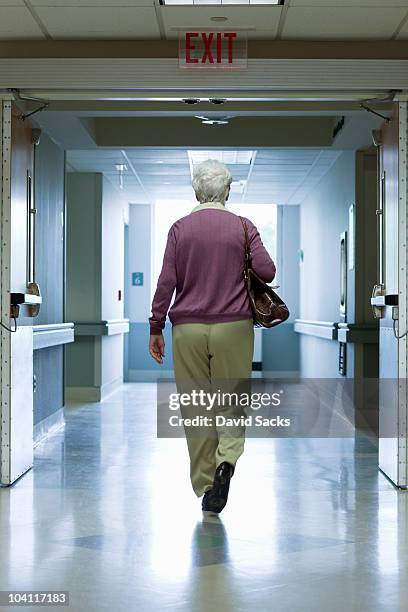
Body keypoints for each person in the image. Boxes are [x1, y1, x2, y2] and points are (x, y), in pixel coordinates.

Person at [149, 159, 276, 513]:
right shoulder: (242, 226)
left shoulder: (179, 229)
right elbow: (267, 269)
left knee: (195, 407)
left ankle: (207, 485)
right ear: (228, 191)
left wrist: (156, 325)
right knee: (231, 402)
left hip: (187, 329)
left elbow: (166, 283)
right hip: (233, 326)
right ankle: (227, 462)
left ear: (196, 191)